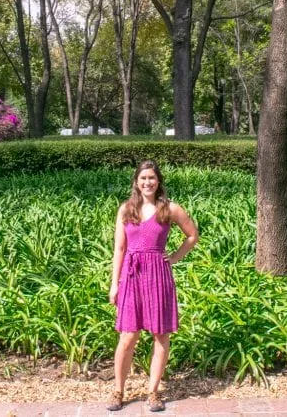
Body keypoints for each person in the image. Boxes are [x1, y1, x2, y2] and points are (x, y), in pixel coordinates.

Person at [107, 159, 199, 412]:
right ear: (136, 182)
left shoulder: (170, 209)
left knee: (160, 334)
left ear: (158, 182)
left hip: (158, 274)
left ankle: (154, 391)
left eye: (152, 178)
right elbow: (120, 248)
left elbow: (193, 235)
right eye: (143, 178)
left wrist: (175, 257)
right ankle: (118, 390)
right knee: (128, 336)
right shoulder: (126, 209)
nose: (147, 182)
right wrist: (114, 284)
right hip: (132, 276)